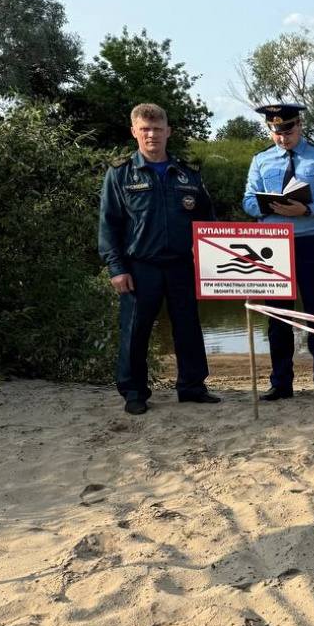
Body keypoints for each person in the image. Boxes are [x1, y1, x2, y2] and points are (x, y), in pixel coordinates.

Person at [99, 103, 220, 415]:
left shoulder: (188, 174)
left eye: (157, 129)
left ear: (168, 132)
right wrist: (116, 268)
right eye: (145, 129)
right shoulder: (120, 174)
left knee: (188, 328)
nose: (152, 134)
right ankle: (134, 392)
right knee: (135, 331)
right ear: (134, 132)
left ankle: (192, 387)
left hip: (182, 265)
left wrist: (211, 263)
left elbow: (207, 220)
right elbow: (109, 224)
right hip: (140, 266)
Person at [242, 103, 314, 402]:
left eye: (287, 131)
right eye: (276, 132)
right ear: (269, 130)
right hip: (273, 244)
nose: (283, 138)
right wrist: (265, 206)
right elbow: (248, 200)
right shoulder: (260, 160)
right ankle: (281, 383)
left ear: (299, 125)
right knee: (277, 317)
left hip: (310, 240)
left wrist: (307, 209)